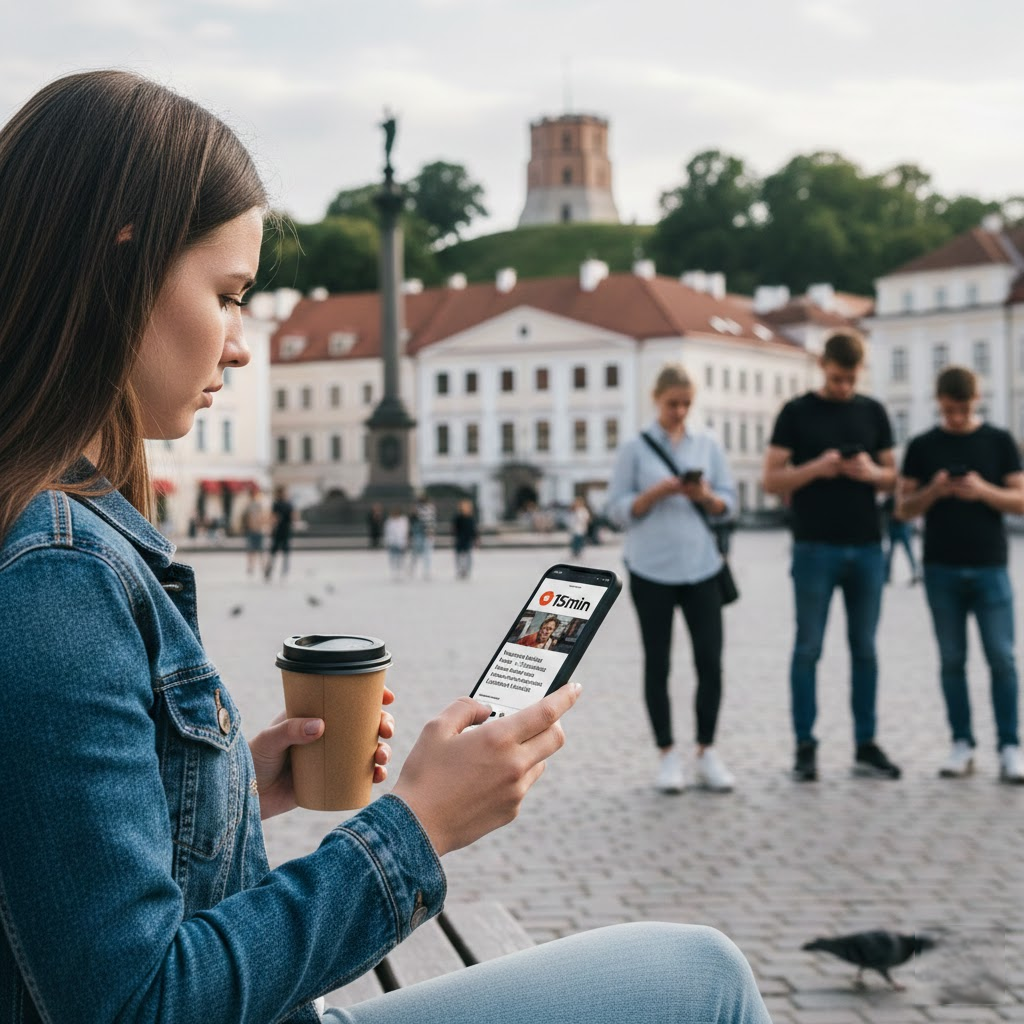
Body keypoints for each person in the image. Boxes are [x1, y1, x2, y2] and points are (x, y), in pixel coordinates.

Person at [0, 70, 773, 1024]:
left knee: (698, 971)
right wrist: (417, 827)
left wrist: (234, 790)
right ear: (123, 263)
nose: (242, 344)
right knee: (702, 979)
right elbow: (139, 1006)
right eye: (230, 294)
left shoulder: (49, 535)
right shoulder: (60, 572)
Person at [762, 332, 900, 783]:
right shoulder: (796, 413)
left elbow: (893, 479)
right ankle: (805, 745)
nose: (843, 387)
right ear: (823, 366)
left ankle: (866, 743)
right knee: (808, 648)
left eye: (851, 379)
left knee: (866, 649)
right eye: (837, 378)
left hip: (866, 547)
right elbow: (771, 480)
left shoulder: (873, 411)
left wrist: (871, 472)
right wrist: (815, 469)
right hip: (813, 547)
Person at [607, 363, 738, 794]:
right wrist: (655, 494)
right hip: (651, 568)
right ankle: (667, 755)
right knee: (657, 663)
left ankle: (707, 751)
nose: (679, 411)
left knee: (710, 662)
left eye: (686, 404)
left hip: (702, 566)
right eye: (672, 404)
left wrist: (706, 497)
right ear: (656, 401)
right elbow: (616, 510)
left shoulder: (708, 443)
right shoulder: (635, 448)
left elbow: (731, 505)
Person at [898, 366, 1024, 783]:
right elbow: (903, 509)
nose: (955, 418)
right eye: (949, 410)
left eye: (963, 409)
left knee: (1002, 659)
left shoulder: (999, 441)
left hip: (991, 566)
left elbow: (1021, 500)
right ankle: (961, 743)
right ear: (938, 403)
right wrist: (934, 490)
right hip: (941, 568)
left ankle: (1010, 746)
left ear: (976, 401)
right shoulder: (922, 446)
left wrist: (983, 491)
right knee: (952, 660)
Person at [881, 494, 919, 585]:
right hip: (893, 526)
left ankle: (915, 574)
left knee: (909, 551)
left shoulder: (906, 497)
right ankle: (886, 576)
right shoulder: (890, 498)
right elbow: (883, 510)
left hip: (904, 526)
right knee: (890, 553)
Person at [264, 484, 295, 580]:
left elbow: (274, 517)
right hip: (282, 530)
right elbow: (275, 517)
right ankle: (280, 571)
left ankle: (276, 570)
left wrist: (271, 526)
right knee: (281, 552)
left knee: (276, 552)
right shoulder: (285, 504)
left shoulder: (279, 504)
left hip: (281, 530)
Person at [242, 485, 270, 575]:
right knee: (251, 550)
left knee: (260, 550)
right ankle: (251, 567)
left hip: (259, 530)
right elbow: (246, 518)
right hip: (252, 530)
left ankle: (263, 566)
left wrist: (263, 525)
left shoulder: (259, 504)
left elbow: (263, 516)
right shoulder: (249, 505)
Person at [408, 494, 436, 580]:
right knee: (416, 552)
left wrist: (431, 531)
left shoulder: (431, 508)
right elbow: (412, 520)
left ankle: (426, 571)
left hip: (426, 531)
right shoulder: (416, 507)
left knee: (427, 553)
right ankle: (412, 568)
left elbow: (432, 520)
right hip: (418, 531)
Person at [452, 498, 479, 579]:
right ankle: (460, 570)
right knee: (459, 556)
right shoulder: (458, 518)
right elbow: (454, 529)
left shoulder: (471, 518)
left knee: (468, 556)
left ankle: (467, 570)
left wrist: (476, 538)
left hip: (467, 539)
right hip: (460, 539)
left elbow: (474, 529)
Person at [383, 506, 409, 580]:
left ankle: (400, 572)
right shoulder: (389, 521)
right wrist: (387, 542)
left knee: (401, 558)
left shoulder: (403, 520)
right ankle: (394, 572)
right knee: (392, 558)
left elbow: (405, 531)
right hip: (392, 542)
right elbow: (387, 532)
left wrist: (405, 541)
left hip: (401, 542)